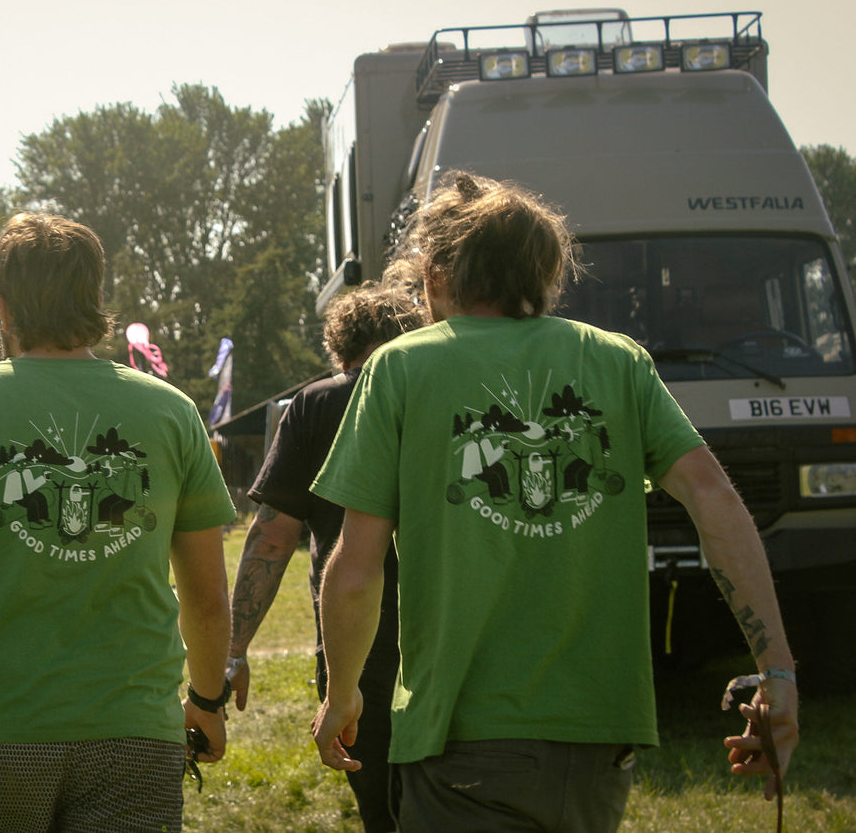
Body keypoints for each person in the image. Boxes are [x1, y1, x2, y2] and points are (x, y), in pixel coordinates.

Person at [310, 173, 799, 833]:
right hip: (601, 739)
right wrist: (776, 669)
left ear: (433, 274)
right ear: (544, 273)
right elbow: (714, 500)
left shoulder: (399, 368)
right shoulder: (618, 361)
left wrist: (340, 695)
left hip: (461, 737)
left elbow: (355, 567)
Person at [0, 212, 235, 833]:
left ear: (3, 308)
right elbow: (207, 594)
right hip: (136, 731)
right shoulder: (171, 412)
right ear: (95, 298)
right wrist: (206, 700)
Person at [226, 281, 425, 832]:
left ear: (339, 347)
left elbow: (272, 538)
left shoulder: (318, 402)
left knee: (384, 811)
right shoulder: (442, 389)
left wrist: (233, 649)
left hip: (352, 651)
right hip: (452, 637)